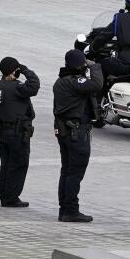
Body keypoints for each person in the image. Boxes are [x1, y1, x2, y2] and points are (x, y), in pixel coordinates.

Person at [52, 49, 103, 220]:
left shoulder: (60, 81)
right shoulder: (74, 81)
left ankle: (65, 209)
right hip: (76, 133)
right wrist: (94, 67)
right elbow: (97, 84)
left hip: (66, 131)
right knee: (74, 172)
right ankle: (70, 211)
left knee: (67, 171)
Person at [0, 55, 41, 208]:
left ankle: (4, 195)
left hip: (3, 132)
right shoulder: (17, 87)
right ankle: (11, 197)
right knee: (18, 164)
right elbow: (35, 86)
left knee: (6, 164)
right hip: (18, 133)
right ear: (14, 72)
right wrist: (26, 70)